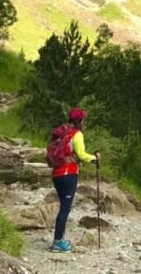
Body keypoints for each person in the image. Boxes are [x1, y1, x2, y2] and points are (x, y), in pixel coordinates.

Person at [49, 107, 99, 253]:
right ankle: (58, 242)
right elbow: (82, 155)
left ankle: (60, 239)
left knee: (63, 206)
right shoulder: (76, 134)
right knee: (65, 208)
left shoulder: (61, 132)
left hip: (56, 174)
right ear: (80, 120)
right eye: (83, 119)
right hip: (69, 173)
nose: (84, 121)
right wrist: (94, 159)